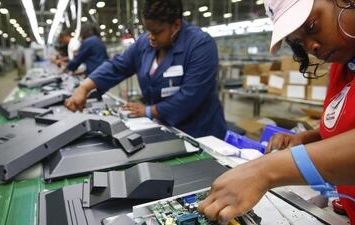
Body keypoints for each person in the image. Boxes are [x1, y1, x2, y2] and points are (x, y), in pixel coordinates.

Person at [198, 0, 355, 223]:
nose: (312, 47)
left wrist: (266, 171)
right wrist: (307, 139)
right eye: (299, 41)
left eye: (311, 27)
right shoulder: (343, 65)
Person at [65, 0, 227, 139]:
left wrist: (149, 110)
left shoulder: (200, 45)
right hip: (165, 127)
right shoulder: (145, 43)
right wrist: (84, 87)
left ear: (176, 25)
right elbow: (117, 66)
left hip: (200, 132)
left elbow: (190, 97)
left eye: (157, 31)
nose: (151, 36)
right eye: (147, 30)